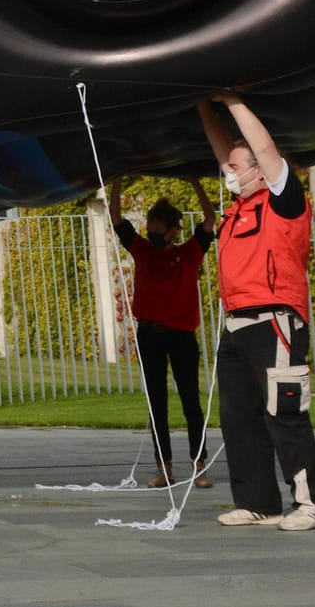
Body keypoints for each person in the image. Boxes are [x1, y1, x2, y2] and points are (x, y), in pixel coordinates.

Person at [199, 94, 315, 531]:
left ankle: (313, 506)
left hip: (275, 321)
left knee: (285, 413)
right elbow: (226, 151)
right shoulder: (238, 209)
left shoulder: (284, 202)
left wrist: (232, 100)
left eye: (238, 168)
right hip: (236, 324)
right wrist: (202, 107)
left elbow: (267, 150)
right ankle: (258, 501)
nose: (230, 173)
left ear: (261, 169)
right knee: (238, 417)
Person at [108, 177, 217, 489]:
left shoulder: (190, 253)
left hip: (181, 335)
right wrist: (116, 179)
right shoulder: (143, 251)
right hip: (150, 334)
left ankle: (200, 465)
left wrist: (195, 183)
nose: (151, 236)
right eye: (149, 231)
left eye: (158, 231)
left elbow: (209, 220)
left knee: (190, 402)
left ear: (172, 231)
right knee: (156, 402)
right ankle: (164, 468)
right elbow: (117, 219)